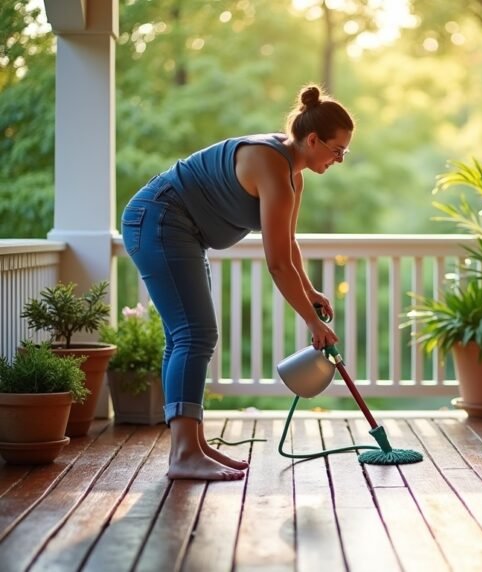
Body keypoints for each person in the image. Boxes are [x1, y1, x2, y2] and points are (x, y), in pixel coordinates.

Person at [121, 85, 352, 480]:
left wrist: (310, 290)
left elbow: (288, 244)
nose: (339, 159)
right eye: (337, 150)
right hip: (158, 219)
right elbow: (277, 265)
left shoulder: (294, 177)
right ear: (313, 140)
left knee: (185, 337)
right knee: (194, 334)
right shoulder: (271, 165)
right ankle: (184, 454)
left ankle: (192, 446)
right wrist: (312, 323)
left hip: (181, 231)